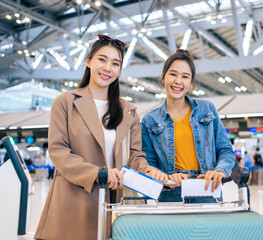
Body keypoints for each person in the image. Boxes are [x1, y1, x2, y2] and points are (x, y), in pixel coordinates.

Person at [35, 34, 167, 240]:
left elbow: (135, 155)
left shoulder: (128, 111)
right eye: (102, 60)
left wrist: (149, 170)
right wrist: (98, 173)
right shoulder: (65, 103)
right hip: (73, 201)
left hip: (113, 204)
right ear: (88, 61)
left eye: (115, 63)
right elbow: (59, 152)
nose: (108, 68)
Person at [141, 49, 235, 203]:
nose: (178, 81)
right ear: (163, 78)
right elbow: (149, 163)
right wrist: (167, 178)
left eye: (185, 76)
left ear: (191, 83)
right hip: (171, 194)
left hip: (207, 188)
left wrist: (220, 170)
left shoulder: (207, 110)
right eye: (173, 74)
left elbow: (226, 150)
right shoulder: (150, 120)